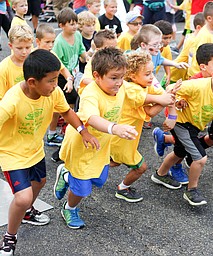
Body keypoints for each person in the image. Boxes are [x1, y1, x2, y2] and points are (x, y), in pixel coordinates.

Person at [0, 49, 99, 255]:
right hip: (12, 154)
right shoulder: (13, 101)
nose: (56, 85)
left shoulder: (53, 93)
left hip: (35, 150)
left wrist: (83, 131)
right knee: (23, 197)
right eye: (51, 81)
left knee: (40, 183)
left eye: (57, 79)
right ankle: (10, 236)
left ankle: (27, 213)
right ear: (32, 82)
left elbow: (66, 111)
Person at [53, 47, 138, 229]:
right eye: (114, 77)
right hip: (82, 145)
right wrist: (114, 128)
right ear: (97, 75)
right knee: (82, 188)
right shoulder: (91, 93)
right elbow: (92, 118)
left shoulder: (119, 87)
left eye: (122, 77)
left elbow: (140, 93)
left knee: (98, 180)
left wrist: (165, 97)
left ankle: (66, 175)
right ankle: (69, 208)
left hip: (101, 145)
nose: (119, 82)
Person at [151, 55, 213, 206]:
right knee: (200, 158)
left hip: (194, 126)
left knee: (179, 152)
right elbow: (169, 89)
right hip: (181, 123)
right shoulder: (198, 85)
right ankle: (192, 190)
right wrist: (176, 106)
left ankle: (160, 174)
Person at [110, 51, 179, 202]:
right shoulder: (129, 88)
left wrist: (168, 96)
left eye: (152, 72)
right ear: (133, 76)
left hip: (128, 138)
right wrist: (166, 99)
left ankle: (79, 172)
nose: (152, 77)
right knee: (141, 167)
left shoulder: (145, 83)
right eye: (147, 73)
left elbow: (161, 95)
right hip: (121, 138)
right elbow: (151, 109)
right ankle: (122, 188)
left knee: (113, 161)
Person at [152, 43, 213, 184]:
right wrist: (180, 101)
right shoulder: (195, 81)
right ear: (203, 66)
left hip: (192, 122)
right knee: (184, 148)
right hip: (179, 120)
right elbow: (175, 92)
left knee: (182, 147)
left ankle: (163, 140)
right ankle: (173, 169)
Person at [35, 23, 75, 147]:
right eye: (47, 42)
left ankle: (51, 134)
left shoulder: (52, 54)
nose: (51, 45)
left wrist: (69, 79)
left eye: (52, 42)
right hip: (36, 94)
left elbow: (63, 69)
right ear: (38, 41)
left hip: (51, 90)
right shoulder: (32, 57)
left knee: (58, 109)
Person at [52, 7, 88, 109]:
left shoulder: (77, 35)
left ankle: (68, 116)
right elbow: (57, 63)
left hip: (75, 72)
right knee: (69, 98)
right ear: (62, 25)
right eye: (71, 24)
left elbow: (81, 50)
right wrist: (67, 78)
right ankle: (66, 118)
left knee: (75, 97)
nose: (75, 26)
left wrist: (87, 58)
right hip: (63, 76)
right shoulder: (59, 42)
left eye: (76, 23)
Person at [188, 1, 213, 77]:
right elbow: (201, 56)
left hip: (208, 70)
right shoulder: (204, 35)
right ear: (209, 18)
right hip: (199, 72)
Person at [78, 28, 117, 94]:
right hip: (93, 94)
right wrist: (104, 85)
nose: (113, 51)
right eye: (109, 49)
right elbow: (85, 80)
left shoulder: (115, 60)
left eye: (115, 47)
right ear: (98, 50)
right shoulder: (94, 62)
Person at [170, 12, 205, 83]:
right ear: (198, 27)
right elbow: (189, 59)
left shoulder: (191, 36)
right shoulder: (194, 40)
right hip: (177, 74)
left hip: (181, 72)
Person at [0, 24, 33, 100]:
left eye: (28, 47)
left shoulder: (36, 63)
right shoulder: (3, 68)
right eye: (19, 48)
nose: (24, 52)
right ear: (10, 46)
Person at [154, 19, 174, 88]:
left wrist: (168, 74)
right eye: (165, 38)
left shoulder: (166, 48)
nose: (168, 41)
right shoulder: (149, 49)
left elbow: (167, 62)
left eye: (170, 38)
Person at [77, 11, 96, 77]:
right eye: (88, 25)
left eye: (93, 25)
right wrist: (92, 49)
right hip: (83, 71)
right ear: (80, 27)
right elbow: (82, 60)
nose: (92, 28)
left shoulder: (96, 35)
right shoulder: (78, 38)